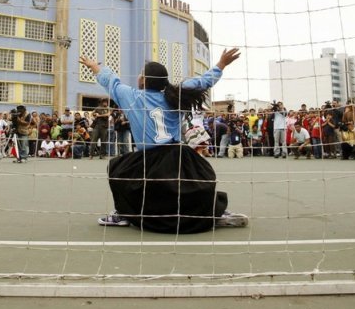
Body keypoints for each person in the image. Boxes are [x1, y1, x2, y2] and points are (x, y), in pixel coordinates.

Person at [79, 47, 247, 233]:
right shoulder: (177, 94)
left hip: (149, 159)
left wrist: (95, 66)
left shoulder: (132, 97)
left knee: (117, 169)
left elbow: (111, 81)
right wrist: (221, 64)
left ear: (143, 80)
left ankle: (124, 213)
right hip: (179, 156)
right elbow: (203, 81)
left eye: (141, 74)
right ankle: (214, 212)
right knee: (195, 184)